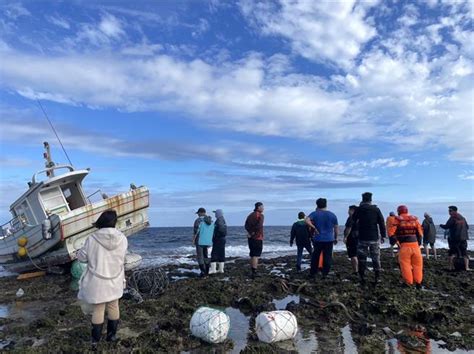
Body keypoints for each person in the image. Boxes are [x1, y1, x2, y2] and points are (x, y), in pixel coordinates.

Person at [77, 210, 127, 348]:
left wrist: (79, 252)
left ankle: (95, 342)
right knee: (113, 306)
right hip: (115, 278)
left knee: (98, 309)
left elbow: (82, 257)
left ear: (101, 221)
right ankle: (112, 337)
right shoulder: (122, 238)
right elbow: (123, 258)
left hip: (97, 280)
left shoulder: (92, 238)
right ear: (114, 222)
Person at [352, 192, 386, 285]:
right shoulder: (376, 209)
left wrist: (354, 232)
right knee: (376, 258)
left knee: (362, 259)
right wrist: (383, 235)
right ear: (371, 199)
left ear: (362, 199)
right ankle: (377, 278)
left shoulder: (359, 209)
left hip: (362, 237)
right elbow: (382, 223)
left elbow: (353, 221)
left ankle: (362, 278)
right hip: (374, 237)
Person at [388, 205, 424, 288]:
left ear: (399, 212)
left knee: (405, 265)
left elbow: (391, 233)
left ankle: (408, 282)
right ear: (407, 211)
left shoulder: (397, 220)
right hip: (415, 246)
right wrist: (418, 244)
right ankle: (418, 283)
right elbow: (420, 233)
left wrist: (396, 243)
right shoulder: (415, 220)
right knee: (418, 265)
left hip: (404, 247)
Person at [306, 198, 338, 279]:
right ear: (326, 204)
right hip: (329, 239)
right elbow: (336, 229)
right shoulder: (332, 215)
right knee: (327, 257)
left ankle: (313, 273)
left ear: (317, 205)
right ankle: (325, 274)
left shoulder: (315, 213)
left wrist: (313, 227)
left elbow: (306, 220)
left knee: (315, 256)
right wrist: (336, 238)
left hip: (318, 239)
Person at [440, 206, 470, 271]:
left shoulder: (452, 218)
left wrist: (441, 225)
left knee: (452, 253)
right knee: (464, 253)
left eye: (450, 211)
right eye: (449, 211)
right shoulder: (463, 218)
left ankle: (450, 267)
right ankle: (467, 267)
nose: (449, 212)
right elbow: (467, 227)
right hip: (463, 238)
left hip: (455, 239)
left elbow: (446, 226)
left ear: (454, 211)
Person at [245, 202, 265, 278]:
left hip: (251, 238)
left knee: (252, 254)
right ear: (258, 207)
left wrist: (249, 232)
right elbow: (259, 226)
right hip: (257, 237)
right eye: (262, 207)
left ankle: (253, 270)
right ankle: (254, 271)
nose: (263, 208)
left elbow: (246, 225)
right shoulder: (260, 215)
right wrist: (252, 232)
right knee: (255, 255)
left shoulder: (250, 215)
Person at [209, 209, 227, 274]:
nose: (215, 214)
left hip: (218, 239)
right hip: (222, 239)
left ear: (218, 213)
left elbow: (221, 229)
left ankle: (213, 270)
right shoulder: (222, 219)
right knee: (221, 253)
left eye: (216, 213)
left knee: (214, 253)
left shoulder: (219, 220)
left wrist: (216, 235)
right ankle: (221, 269)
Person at [343, 205, 358, 275]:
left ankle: (355, 271)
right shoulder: (360, 218)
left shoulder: (351, 218)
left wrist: (345, 237)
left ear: (352, 210)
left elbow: (348, 228)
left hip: (352, 238)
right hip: (360, 238)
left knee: (353, 255)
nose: (348, 212)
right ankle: (359, 270)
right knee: (358, 255)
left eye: (349, 210)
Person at [193, 207, 207, 273]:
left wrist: (193, 239)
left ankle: (203, 271)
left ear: (201, 213)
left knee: (200, 256)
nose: (198, 214)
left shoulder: (198, 220)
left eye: (198, 213)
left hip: (199, 240)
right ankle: (207, 270)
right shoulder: (209, 220)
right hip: (207, 240)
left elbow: (196, 231)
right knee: (205, 255)